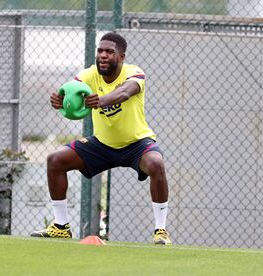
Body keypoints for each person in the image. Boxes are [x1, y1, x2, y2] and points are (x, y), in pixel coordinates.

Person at [30, 32, 171, 245]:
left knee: (156, 164)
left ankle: (160, 231)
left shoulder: (134, 73)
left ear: (121, 57)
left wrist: (102, 100)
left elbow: (124, 93)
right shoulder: (89, 74)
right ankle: (60, 226)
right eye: (100, 51)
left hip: (136, 144)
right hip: (102, 145)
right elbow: (71, 92)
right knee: (55, 160)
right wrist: (60, 100)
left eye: (110, 52)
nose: (103, 55)